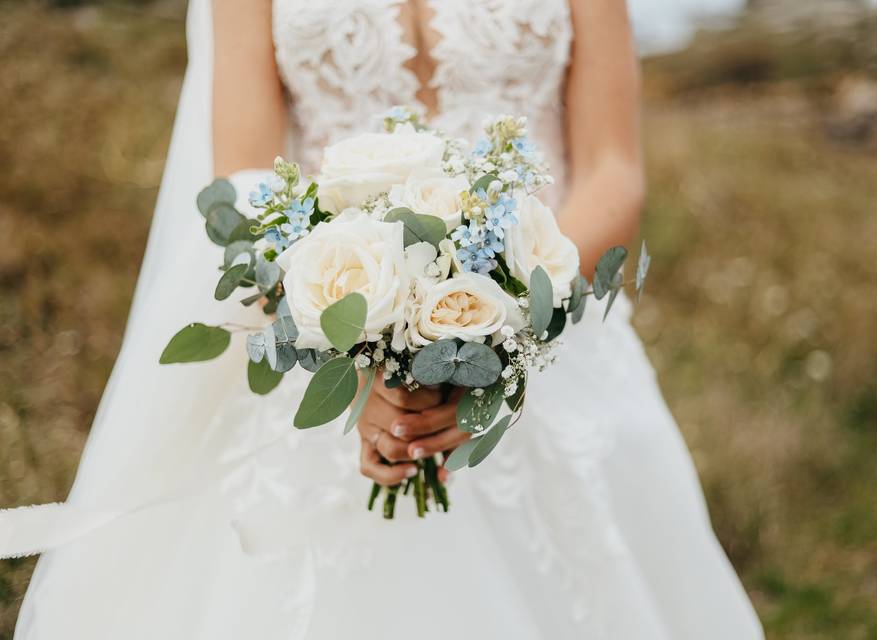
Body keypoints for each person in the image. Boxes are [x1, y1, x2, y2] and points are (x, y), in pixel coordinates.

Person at [2, 1, 764, 637]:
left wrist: (502, 333)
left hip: (549, 324)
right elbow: (244, 179)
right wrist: (358, 365)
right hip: (326, 327)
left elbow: (612, 170)